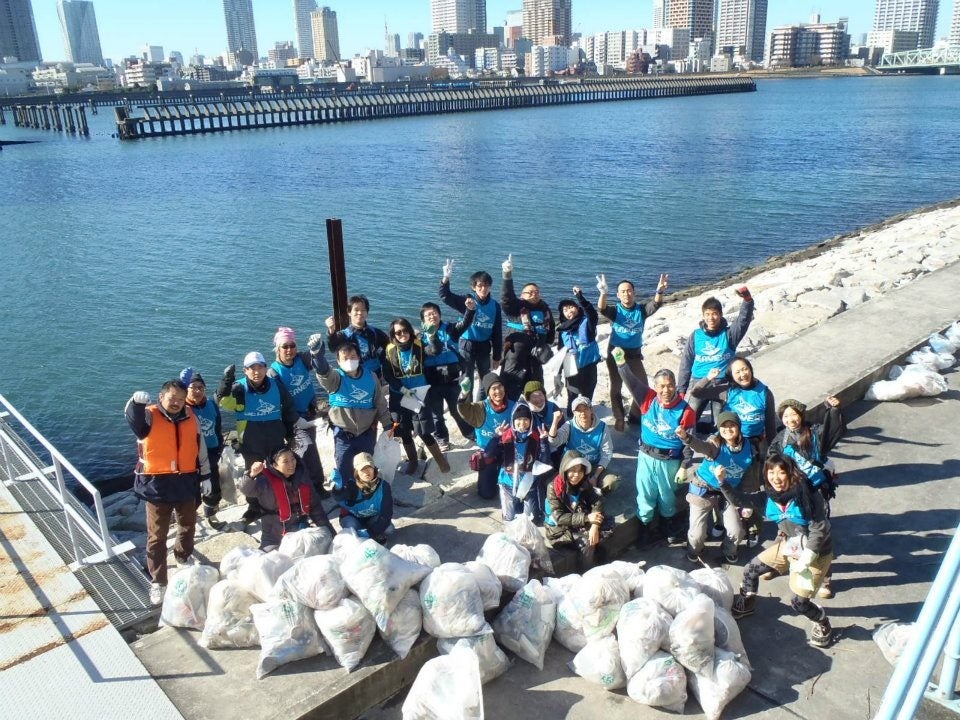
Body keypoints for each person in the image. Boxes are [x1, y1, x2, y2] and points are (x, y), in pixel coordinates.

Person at [731, 454, 835, 649]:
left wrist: (807, 557)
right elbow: (740, 499)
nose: (776, 477)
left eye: (781, 472)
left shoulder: (807, 494)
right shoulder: (769, 497)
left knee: (798, 602)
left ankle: (823, 623)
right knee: (750, 569)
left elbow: (819, 528)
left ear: (791, 473)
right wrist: (722, 483)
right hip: (791, 545)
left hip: (816, 553)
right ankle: (748, 602)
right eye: (771, 472)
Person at [125, 380, 211, 605]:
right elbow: (133, 421)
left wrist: (207, 476)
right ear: (161, 397)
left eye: (181, 399)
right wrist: (134, 403)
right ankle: (158, 581)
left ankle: (183, 556)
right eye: (171, 398)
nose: (176, 403)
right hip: (157, 485)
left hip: (186, 482)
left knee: (188, 525)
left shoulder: (191, 416)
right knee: (157, 536)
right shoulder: (149, 416)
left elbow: (199, 447)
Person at [689, 358, 776, 546]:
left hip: (752, 450)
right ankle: (721, 522)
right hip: (726, 446)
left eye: (745, 369)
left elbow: (770, 426)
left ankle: (753, 527)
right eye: (737, 372)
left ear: (751, 369)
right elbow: (696, 392)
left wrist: (771, 453)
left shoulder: (764, 392)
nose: (743, 374)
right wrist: (707, 378)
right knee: (721, 486)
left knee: (750, 491)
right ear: (731, 376)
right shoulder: (728, 390)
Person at [613, 348, 695, 548]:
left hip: (669, 461)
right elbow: (631, 382)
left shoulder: (686, 411)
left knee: (667, 497)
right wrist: (621, 364)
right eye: (661, 386)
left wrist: (685, 465)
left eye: (669, 386)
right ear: (655, 387)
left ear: (675, 386)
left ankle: (667, 527)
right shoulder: (647, 398)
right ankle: (645, 530)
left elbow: (689, 442)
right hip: (646, 457)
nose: (665, 391)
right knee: (645, 494)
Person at [768, 395, 845, 598]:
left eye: (794, 414)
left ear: (801, 415)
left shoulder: (815, 433)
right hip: (791, 492)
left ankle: (826, 578)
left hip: (815, 490)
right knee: (789, 529)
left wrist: (833, 410)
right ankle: (781, 563)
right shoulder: (780, 439)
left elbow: (832, 432)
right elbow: (771, 463)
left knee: (819, 534)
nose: (790, 419)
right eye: (786, 416)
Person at [216, 351, 299, 523]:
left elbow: (288, 408)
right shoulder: (239, 387)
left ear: (265, 368)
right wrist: (226, 381)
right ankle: (254, 507)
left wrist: (290, 433)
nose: (256, 372)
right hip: (251, 441)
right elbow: (223, 402)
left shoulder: (276, 385)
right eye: (251, 368)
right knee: (253, 473)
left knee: (279, 470)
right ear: (245, 370)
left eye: (260, 367)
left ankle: (284, 499)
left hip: (275, 438)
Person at [309, 335, 393, 493]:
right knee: (344, 467)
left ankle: (369, 492)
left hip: (367, 433)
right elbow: (324, 374)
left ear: (359, 357)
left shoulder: (371, 377)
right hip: (343, 435)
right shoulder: (336, 378)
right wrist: (318, 356)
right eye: (345, 358)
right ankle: (347, 495)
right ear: (338, 362)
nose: (349, 360)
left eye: (353, 357)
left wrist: (388, 424)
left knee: (367, 466)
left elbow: (380, 402)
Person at [676, 411, 756, 564]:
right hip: (703, 490)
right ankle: (694, 549)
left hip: (728, 492)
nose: (727, 429)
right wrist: (686, 437)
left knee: (737, 531)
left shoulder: (749, 448)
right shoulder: (715, 443)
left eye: (731, 425)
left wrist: (747, 500)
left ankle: (729, 550)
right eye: (723, 426)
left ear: (739, 427)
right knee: (697, 535)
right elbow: (700, 446)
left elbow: (748, 477)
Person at [597, 274, 668, 431]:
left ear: (634, 293)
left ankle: (635, 416)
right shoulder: (616, 311)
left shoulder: (641, 310)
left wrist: (660, 291)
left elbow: (655, 305)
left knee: (642, 386)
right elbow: (602, 308)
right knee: (616, 386)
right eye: (622, 291)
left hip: (634, 354)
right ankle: (619, 417)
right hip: (616, 352)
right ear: (618, 295)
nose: (626, 294)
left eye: (629, 291)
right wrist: (603, 293)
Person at [676, 287, 755, 423]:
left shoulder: (729, 335)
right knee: (687, 420)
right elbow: (686, 363)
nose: (711, 318)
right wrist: (681, 389)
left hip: (722, 385)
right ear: (703, 315)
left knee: (720, 423)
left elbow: (743, 322)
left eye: (714, 314)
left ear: (720, 314)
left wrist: (747, 301)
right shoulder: (696, 336)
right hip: (699, 384)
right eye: (707, 314)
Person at [383, 317, 451, 474]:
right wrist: (400, 388)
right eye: (398, 332)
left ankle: (440, 460)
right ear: (393, 335)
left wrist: (433, 337)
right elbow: (387, 374)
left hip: (418, 395)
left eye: (405, 330)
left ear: (410, 331)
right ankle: (413, 461)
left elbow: (434, 350)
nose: (402, 334)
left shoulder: (419, 346)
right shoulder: (389, 350)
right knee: (403, 429)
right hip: (399, 396)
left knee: (423, 429)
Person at [268, 327, 327, 498]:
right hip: (294, 421)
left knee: (311, 449)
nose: (289, 350)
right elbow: (282, 402)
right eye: (285, 346)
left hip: (311, 414)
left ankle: (316, 485)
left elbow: (318, 359)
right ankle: (307, 486)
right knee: (306, 449)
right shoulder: (273, 373)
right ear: (277, 349)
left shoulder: (301, 358)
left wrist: (318, 346)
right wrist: (295, 419)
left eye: (292, 345)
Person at [238, 447, 334, 551]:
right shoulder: (264, 481)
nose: (292, 464)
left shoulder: (302, 477)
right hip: (273, 536)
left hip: (298, 528)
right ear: (275, 465)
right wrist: (251, 475)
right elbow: (246, 490)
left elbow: (315, 507)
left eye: (293, 459)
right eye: (286, 461)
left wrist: (331, 532)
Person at [439, 260, 503, 399]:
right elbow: (445, 296)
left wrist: (497, 356)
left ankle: (480, 407)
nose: (483, 289)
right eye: (479, 286)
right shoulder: (468, 300)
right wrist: (446, 278)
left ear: (490, 287)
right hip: (466, 345)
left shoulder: (495, 306)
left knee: (486, 380)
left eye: (486, 285)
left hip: (484, 347)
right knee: (467, 381)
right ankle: (467, 409)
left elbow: (497, 332)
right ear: (474, 287)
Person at [421, 299, 477, 449]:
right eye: (428, 315)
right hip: (432, 382)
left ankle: (470, 433)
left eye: (434, 313)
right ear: (423, 320)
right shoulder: (420, 338)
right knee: (437, 415)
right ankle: (442, 439)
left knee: (457, 410)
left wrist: (470, 310)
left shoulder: (451, 329)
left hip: (453, 380)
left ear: (440, 315)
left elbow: (465, 323)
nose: (432, 316)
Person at [483, 402, 550, 521]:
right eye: (518, 419)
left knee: (532, 519)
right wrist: (496, 436)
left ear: (530, 421)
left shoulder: (536, 437)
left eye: (526, 419)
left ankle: (524, 502)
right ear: (513, 420)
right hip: (508, 482)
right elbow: (488, 454)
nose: (522, 423)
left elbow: (545, 461)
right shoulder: (505, 436)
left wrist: (544, 442)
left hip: (528, 482)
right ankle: (515, 503)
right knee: (509, 518)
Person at [499, 253, 555, 398]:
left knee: (535, 391)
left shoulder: (546, 310)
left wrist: (546, 345)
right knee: (510, 392)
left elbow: (551, 332)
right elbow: (507, 298)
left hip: (536, 359)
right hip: (515, 359)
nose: (534, 294)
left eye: (536, 292)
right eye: (530, 292)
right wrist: (507, 275)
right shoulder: (516, 307)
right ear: (522, 295)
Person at [545, 450, 607, 572]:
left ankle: (601, 566)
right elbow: (560, 518)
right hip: (559, 529)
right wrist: (587, 518)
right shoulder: (553, 487)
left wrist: (594, 525)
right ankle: (587, 573)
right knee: (588, 542)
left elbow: (597, 501)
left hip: (576, 518)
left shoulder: (583, 483)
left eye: (580, 471)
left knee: (601, 531)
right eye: (572, 471)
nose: (576, 475)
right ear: (565, 471)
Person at [457, 372, 516, 499]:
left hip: (509, 452)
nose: (498, 391)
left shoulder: (514, 406)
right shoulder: (480, 408)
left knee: (513, 488)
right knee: (487, 494)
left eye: (500, 387)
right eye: (493, 388)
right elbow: (463, 409)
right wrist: (464, 393)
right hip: (488, 453)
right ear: (488, 392)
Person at [180, 368, 225, 530]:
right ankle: (186, 522)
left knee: (213, 488)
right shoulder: (182, 408)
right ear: (186, 390)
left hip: (211, 453)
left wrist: (220, 446)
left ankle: (211, 515)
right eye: (193, 388)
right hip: (190, 456)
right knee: (192, 493)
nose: (197, 391)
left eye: (201, 387)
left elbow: (218, 427)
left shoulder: (212, 404)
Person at [547, 395, 619, 494]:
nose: (583, 413)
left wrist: (595, 476)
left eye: (585, 409)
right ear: (574, 413)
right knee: (559, 487)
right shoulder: (569, 425)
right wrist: (555, 421)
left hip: (593, 466)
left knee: (612, 481)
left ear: (591, 410)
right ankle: (581, 489)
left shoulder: (602, 427)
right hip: (573, 466)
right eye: (578, 411)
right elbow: (553, 442)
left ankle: (592, 490)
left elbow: (607, 453)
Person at [556, 286, 601, 416]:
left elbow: (592, 313)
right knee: (572, 401)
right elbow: (560, 354)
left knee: (586, 400)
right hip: (571, 370)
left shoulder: (588, 324)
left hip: (588, 368)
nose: (568, 311)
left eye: (571, 307)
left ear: (577, 308)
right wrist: (558, 374)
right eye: (564, 310)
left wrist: (580, 297)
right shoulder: (563, 331)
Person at [523, 380, 564, 523]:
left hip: (555, 448)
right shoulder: (525, 412)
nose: (538, 399)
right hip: (535, 453)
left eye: (540, 395)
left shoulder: (553, 408)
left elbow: (563, 434)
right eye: (534, 396)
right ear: (528, 398)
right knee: (537, 482)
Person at [326, 294, 391, 379]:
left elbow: (389, 344)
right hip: (354, 376)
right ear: (349, 312)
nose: (360, 313)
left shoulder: (375, 332)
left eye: (363, 310)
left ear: (367, 313)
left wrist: (383, 360)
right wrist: (331, 331)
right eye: (356, 310)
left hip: (375, 375)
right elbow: (333, 348)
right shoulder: (344, 335)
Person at [337, 452, 395, 543]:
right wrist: (337, 489)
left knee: (389, 529)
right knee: (351, 529)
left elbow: (386, 514)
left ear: (374, 468)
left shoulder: (384, 486)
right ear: (356, 471)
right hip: (353, 518)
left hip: (373, 518)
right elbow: (339, 498)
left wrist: (370, 532)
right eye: (362, 469)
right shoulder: (351, 485)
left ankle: (374, 534)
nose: (367, 472)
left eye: (369, 467)